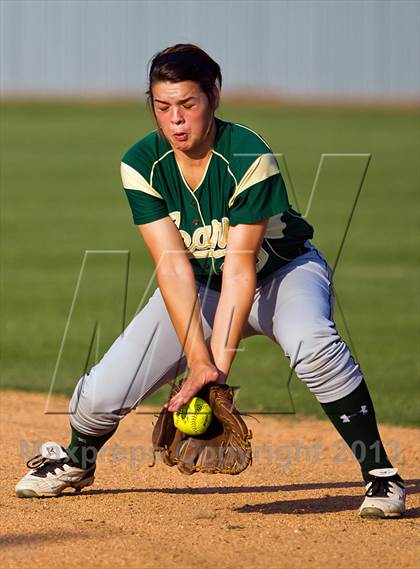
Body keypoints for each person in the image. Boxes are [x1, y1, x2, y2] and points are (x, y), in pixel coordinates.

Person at [15, 44, 405, 518]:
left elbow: (241, 267)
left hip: (281, 274)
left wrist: (212, 375)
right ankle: (77, 460)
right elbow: (174, 267)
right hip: (199, 285)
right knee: (99, 395)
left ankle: (380, 474)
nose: (176, 120)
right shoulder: (142, 164)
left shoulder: (246, 154)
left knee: (313, 341)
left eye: (188, 104)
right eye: (163, 107)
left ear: (214, 96)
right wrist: (196, 359)